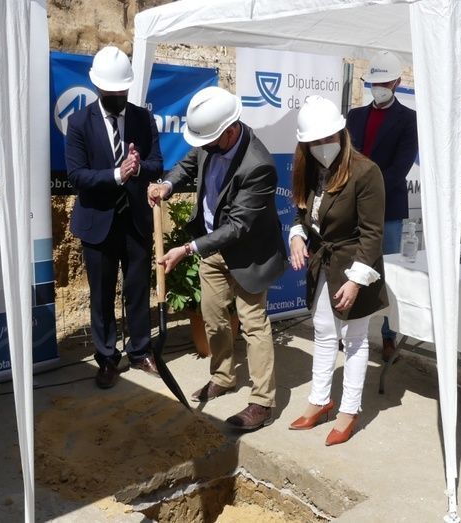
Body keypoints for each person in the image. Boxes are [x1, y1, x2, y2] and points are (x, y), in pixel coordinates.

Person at [148, 86, 286, 431]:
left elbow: (238, 227)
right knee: (213, 316)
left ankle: (262, 402)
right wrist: (167, 185)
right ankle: (223, 376)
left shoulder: (258, 166)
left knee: (254, 324)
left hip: (248, 254)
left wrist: (187, 249)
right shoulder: (211, 141)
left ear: (230, 130)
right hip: (213, 248)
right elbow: (187, 164)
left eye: (208, 140)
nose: (203, 146)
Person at [288, 96, 387, 446]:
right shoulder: (310, 169)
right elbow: (302, 212)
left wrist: (356, 281)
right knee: (324, 332)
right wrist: (297, 236)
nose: (322, 146)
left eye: (327, 138)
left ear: (341, 133)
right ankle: (319, 400)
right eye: (314, 142)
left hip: (356, 264)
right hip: (324, 263)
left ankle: (349, 409)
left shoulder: (366, 172)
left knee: (355, 338)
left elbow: (372, 234)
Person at [65, 46, 164, 389]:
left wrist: (137, 167)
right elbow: (76, 176)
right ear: (97, 87)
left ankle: (140, 351)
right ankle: (107, 357)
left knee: (138, 289)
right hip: (98, 222)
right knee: (102, 294)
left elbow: (157, 164)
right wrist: (117, 175)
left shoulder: (143, 119)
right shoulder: (79, 122)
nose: (117, 98)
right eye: (111, 92)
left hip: (135, 220)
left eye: (122, 91)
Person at [345, 50, 418, 361]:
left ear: (397, 82)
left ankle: (389, 337)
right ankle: (349, 328)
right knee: (350, 267)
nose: (379, 88)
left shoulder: (409, 119)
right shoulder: (355, 116)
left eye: (385, 83)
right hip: (353, 207)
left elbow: (400, 168)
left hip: (388, 209)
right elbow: (346, 160)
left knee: (388, 274)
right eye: (374, 83)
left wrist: (367, 193)